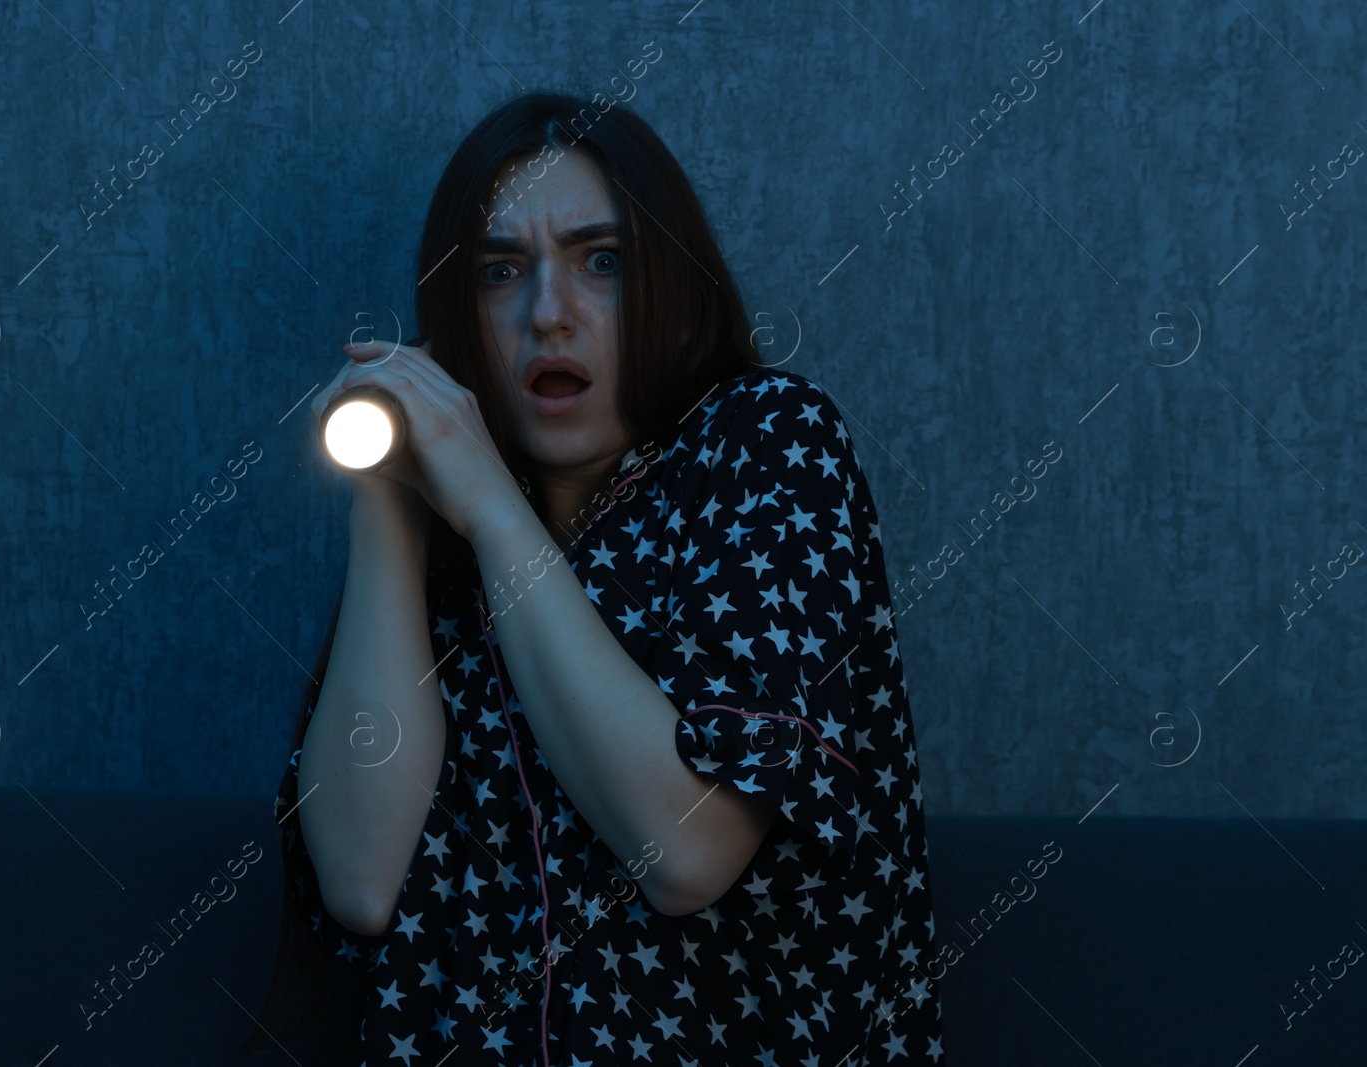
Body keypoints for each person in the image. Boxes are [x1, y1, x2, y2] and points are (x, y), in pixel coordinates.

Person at [243, 90, 947, 1066]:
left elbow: (687, 850)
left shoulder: (769, 444)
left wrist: (488, 505)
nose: (548, 315)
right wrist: (390, 497)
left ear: (671, 282)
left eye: (600, 262)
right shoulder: (442, 524)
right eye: (500, 271)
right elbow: (363, 884)